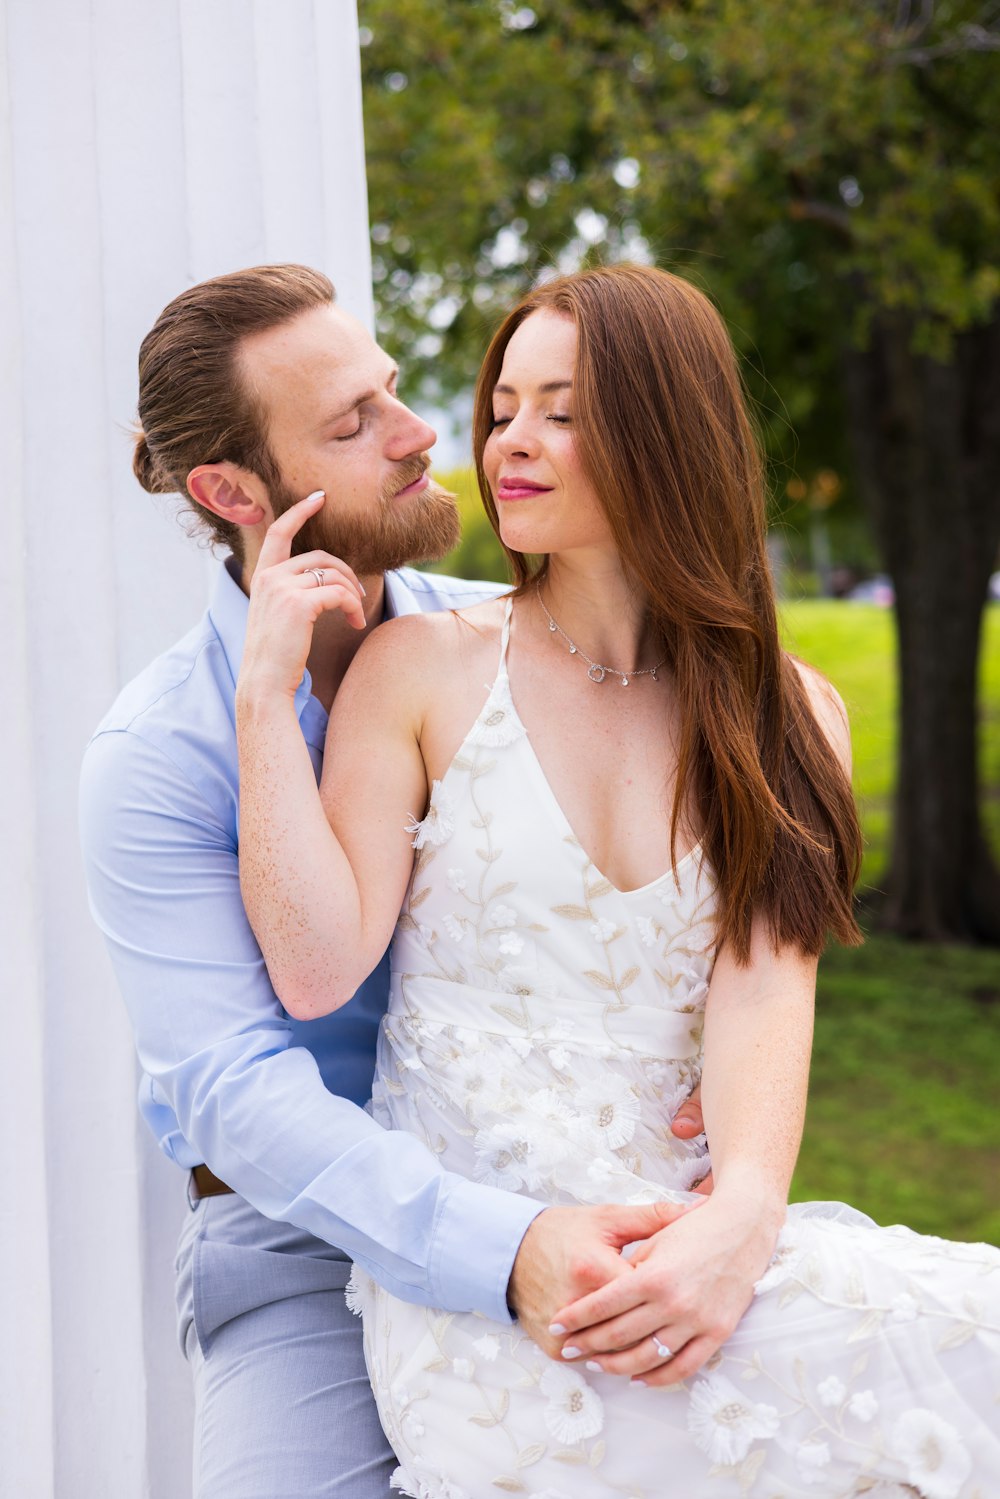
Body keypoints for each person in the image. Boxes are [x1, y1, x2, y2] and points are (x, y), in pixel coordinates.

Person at [235, 263, 1000, 1499]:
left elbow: (763, 990)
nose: (509, 444)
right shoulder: (417, 669)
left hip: (692, 1246)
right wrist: (265, 700)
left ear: (664, 428)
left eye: (561, 410)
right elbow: (318, 969)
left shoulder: (790, 710)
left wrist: (743, 1222)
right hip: (488, 1294)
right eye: (500, 408)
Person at [79, 263, 711, 1499]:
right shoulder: (155, 756)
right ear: (232, 491)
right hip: (303, 1233)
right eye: (351, 422)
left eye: (393, 390)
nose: (425, 434)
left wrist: (696, 1050)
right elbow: (233, 1094)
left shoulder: (500, 640)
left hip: (563, 1171)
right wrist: (502, 1247)